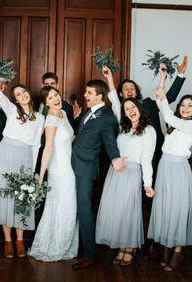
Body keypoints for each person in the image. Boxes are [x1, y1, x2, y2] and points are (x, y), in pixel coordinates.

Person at [103, 57, 188, 255]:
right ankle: (127, 241)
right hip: (124, 165)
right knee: (123, 206)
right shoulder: (121, 117)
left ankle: (151, 240)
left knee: (150, 201)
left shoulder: (149, 104)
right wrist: (109, 79)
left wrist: (167, 75)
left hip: (151, 159)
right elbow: (114, 98)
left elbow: (167, 95)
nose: (129, 90)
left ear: (137, 91)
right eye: (125, 88)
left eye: (132, 87)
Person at [147, 65, 192, 272]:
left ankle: (177, 249)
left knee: (179, 208)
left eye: (190, 105)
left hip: (179, 169)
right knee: (165, 209)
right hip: (164, 167)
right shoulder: (173, 126)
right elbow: (164, 109)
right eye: (183, 105)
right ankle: (167, 245)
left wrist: (162, 93)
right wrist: (162, 77)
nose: (186, 108)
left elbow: (167, 113)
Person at [0, 75, 45, 258]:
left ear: (28, 93)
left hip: (25, 157)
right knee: (5, 195)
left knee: (22, 198)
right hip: (6, 154)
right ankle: (8, 240)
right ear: (16, 99)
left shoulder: (40, 118)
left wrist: (32, 170)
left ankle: (19, 239)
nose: (22, 95)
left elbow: (36, 146)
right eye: (18, 94)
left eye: (24, 92)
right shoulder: (11, 110)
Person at [70, 79, 127, 270]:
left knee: (84, 209)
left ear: (99, 96)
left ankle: (91, 254)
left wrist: (115, 158)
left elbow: (109, 140)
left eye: (88, 93)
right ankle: (79, 247)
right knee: (78, 208)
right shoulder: (89, 111)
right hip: (74, 163)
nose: (85, 95)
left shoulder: (107, 116)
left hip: (85, 168)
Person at [96, 97, 156, 266]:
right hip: (115, 172)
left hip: (132, 172)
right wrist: (109, 80)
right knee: (117, 209)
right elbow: (115, 103)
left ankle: (129, 246)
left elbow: (147, 159)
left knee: (128, 210)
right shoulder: (123, 128)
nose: (130, 110)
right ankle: (122, 245)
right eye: (127, 108)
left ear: (139, 108)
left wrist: (148, 184)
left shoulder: (149, 130)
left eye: (133, 107)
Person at [28, 86, 78, 262]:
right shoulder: (50, 119)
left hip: (69, 167)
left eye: (56, 95)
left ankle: (64, 243)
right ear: (45, 103)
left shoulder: (63, 114)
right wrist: (40, 177)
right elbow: (48, 148)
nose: (55, 99)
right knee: (60, 206)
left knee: (68, 206)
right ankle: (52, 245)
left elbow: (68, 139)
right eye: (50, 98)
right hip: (59, 170)